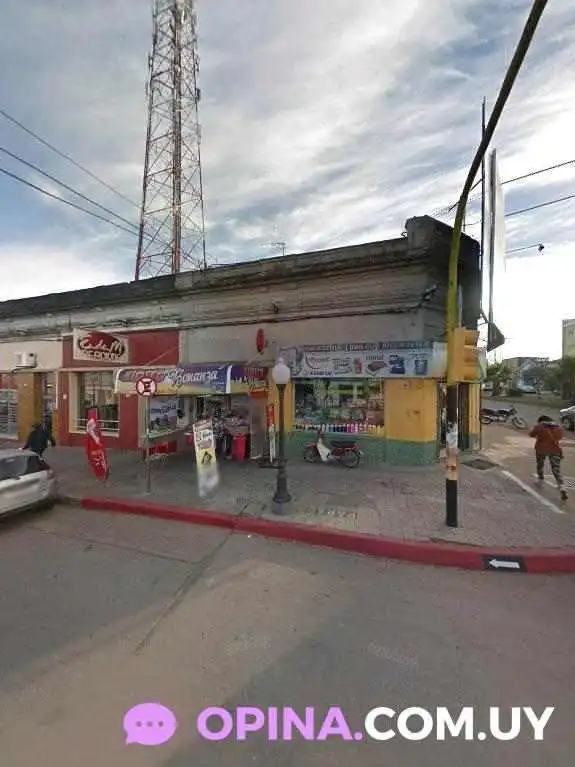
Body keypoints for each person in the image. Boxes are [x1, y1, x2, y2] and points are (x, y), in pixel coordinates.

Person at [529, 415, 568, 501]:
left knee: (540, 464)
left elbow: (531, 434)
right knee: (556, 469)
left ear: (541, 421)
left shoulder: (539, 426)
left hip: (541, 449)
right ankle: (562, 486)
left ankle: (540, 478)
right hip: (555, 449)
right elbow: (560, 437)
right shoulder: (558, 427)